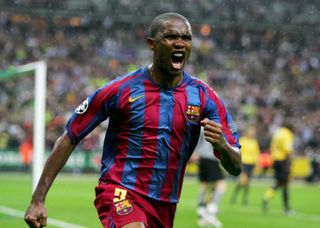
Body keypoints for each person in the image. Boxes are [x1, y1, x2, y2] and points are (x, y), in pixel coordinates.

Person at [24, 12, 242, 228]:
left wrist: (222, 145)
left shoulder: (204, 97)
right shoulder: (120, 89)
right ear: (152, 44)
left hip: (165, 203)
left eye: (186, 38)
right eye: (170, 37)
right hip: (120, 189)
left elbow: (236, 167)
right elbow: (70, 136)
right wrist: (38, 199)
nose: (179, 43)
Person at [194, 127, 226, 228]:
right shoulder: (218, 123)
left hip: (202, 157)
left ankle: (201, 211)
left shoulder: (202, 125)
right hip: (212, 158)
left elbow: (197, 140)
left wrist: (195, 153)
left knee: (204, 184)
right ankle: (211, 212)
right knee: (221, 185)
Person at [262, 121, 295, 215]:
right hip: (283, 161)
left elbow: (272, 146)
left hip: (275, 160)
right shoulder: (288, 134)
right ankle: (286, 208)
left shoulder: (278, 132)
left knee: (278, 183)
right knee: (285, 184)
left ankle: (266, 198)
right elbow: (288, 150)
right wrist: (289, 163)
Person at [230, 126, 260, 205]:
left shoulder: (255, 142)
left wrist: (257, 164)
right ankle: (237, 196)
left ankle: (243, 198)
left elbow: (256, 153)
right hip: (244, 163)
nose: (252, 133)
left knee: (247, 182)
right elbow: (238, 151)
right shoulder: (242, 140)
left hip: (251, 164)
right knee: (243, 180)